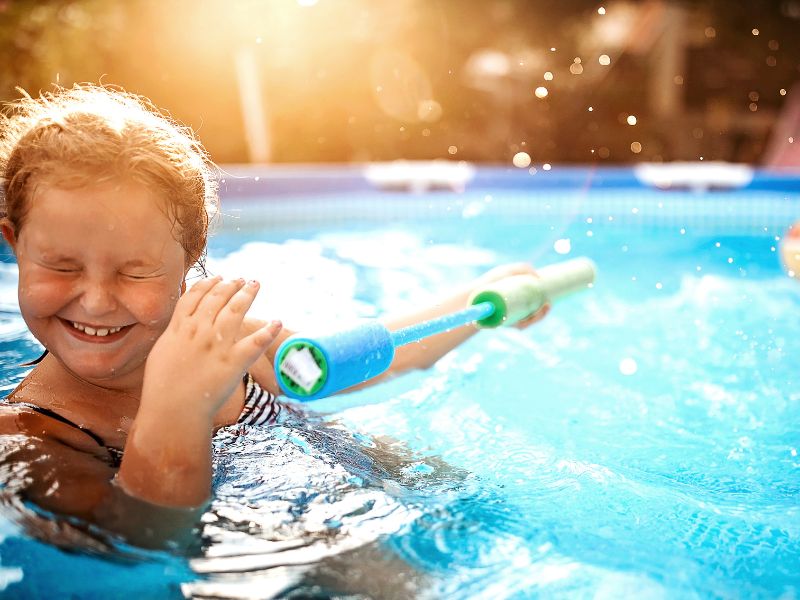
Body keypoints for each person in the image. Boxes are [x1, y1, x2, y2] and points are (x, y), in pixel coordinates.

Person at [0, 84, 548, 547]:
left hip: (374, 494)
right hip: (274, 554)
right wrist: (176, 406)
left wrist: (480, 303)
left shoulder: (227, 342)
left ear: (190, 256)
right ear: (14, 245)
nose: (96, 300)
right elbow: (148, 538)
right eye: (61, 266)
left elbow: (362, 360)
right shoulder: (29, 438)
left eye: (135, 271)